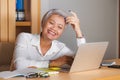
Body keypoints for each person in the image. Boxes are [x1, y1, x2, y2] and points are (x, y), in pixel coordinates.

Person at [13, 9, 86, 70]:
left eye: (59, 27)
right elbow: (19, 65)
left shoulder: (61, 48)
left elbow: (82, 63)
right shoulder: (24, 37)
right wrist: (53, 63)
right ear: (43, 23)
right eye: (51, 23)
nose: (54, 28)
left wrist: (78, 31)